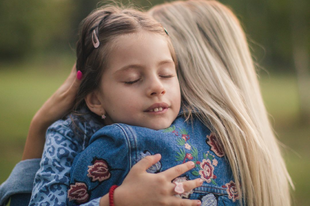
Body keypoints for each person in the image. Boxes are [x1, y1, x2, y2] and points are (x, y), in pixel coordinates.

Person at [28, 4, 205, 206]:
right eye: (132, 79)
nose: (157, 87)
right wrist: (116, 201)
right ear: (96, 100)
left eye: (166, 74)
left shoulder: (198, 122)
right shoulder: (70, 136)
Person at [148, 1, 293, 205]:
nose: (153, 83)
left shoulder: (154, 145)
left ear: (183, 66)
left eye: (163, 71)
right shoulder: (256, 153)